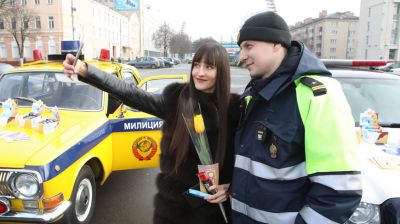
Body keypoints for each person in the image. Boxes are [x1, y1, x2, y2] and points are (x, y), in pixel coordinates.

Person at [63, 42, 241, 224]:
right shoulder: (177, 100)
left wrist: (231, 187)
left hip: (214, 210)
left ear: (222, 73)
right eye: (197, 65)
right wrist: (86, 70)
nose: (200, 72)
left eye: (209, 67)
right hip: (174, 209)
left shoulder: (236, 110)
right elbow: (131, 93)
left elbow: (247, 163)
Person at [230, 11, 362, 224]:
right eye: (240, 48)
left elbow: (338, 191)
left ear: (276, 44)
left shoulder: (317, 93)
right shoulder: (253, 92)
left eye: (248, 46)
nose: (242, 56)